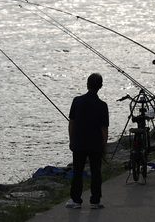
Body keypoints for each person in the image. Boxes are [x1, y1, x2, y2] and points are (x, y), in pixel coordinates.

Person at [65, 73, 109, 210]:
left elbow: (71, 123)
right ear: (100, 87)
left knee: (77, 172)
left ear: (87, 84)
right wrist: (104, 146)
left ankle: (76, 200)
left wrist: (71, 140)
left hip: (79, 143)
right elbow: (104, 129)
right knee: (96, 173)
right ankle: (95, 201)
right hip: (95, 144)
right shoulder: (102, 105)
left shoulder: (77, 101)